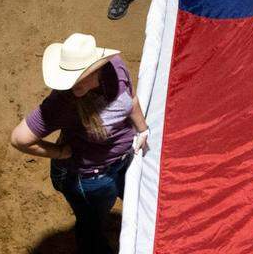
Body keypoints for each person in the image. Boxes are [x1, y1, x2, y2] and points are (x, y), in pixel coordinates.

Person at [11, 32, 150, 253]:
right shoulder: (62, 101)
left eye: (80, 75)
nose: (71, 84)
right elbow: (19, 139)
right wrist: (61, 152)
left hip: (126, 159)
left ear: (97, 68)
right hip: (90, 177)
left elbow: (131, 100)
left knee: (140, 203)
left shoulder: (116, 67)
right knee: (91, 226)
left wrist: (143, 130)